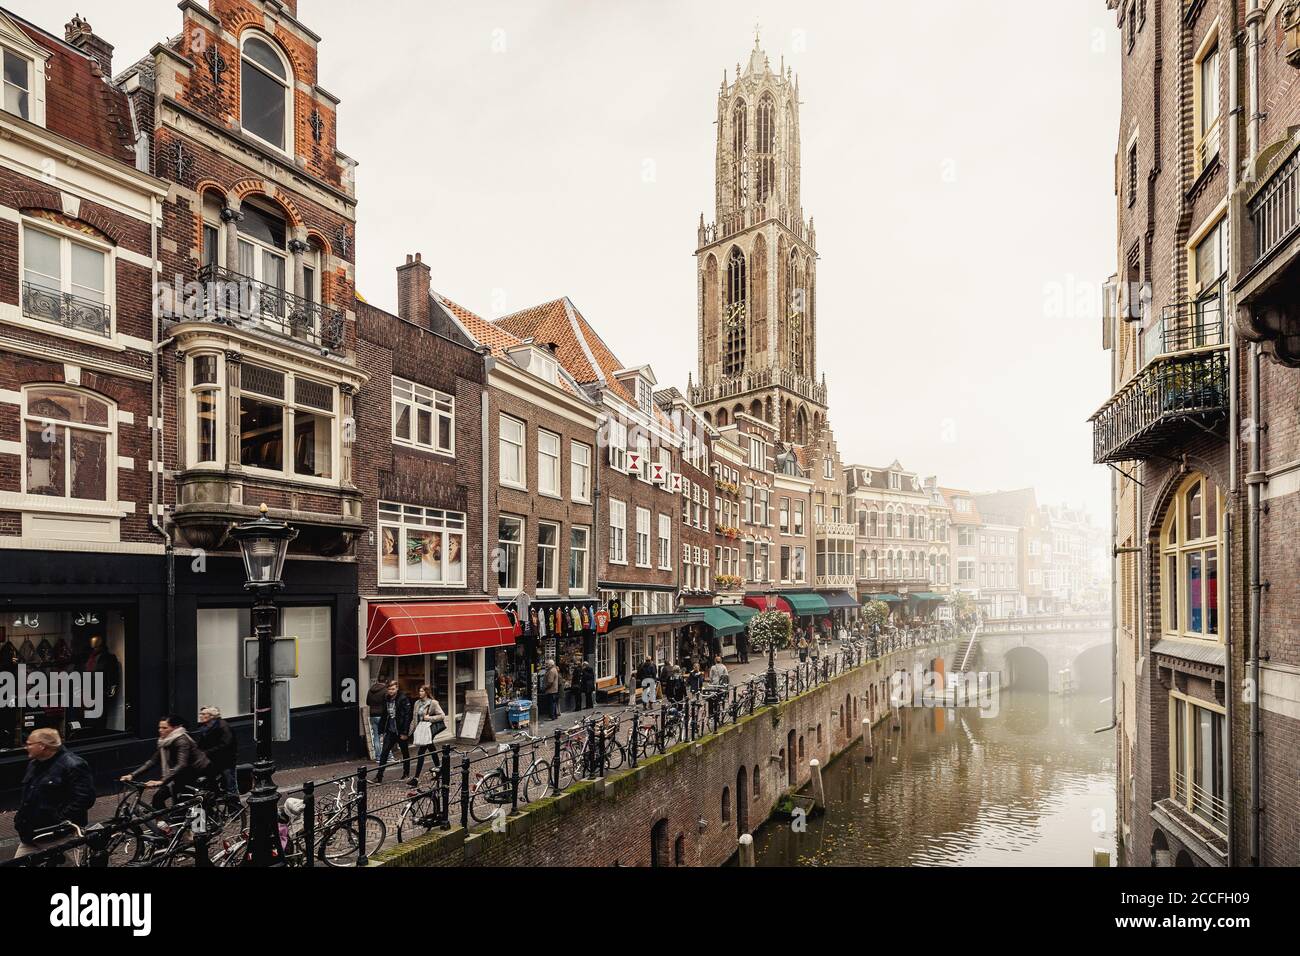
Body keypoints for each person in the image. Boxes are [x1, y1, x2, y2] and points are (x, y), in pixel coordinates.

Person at [13, 729, 95, 860]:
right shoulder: (34, 764)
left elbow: (85, 798)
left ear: (42, 746)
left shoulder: (73, 765)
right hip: (31, 835)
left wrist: (59, 820)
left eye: (29, 744)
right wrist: (20, 818)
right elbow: (29, 795)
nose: (26, 747)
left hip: (59, 837)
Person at [121, 715, 211, 810]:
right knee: (157, 799)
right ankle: (164, 824)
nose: (160, 730)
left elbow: (182, 764)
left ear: (175, 728)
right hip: (178, 775)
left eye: (164, 728)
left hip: (195, 773)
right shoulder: (165, 741)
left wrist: (162, 781)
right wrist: (132, 775)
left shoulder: (182, 741)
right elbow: (153, 761)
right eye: (159, 727)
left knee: (183, 806)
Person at [195, 706, 238, 805]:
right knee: (210, 782)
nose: (201, 716)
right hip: (213, 761)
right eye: (201, 714)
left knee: (229, 784)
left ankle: (235, 808)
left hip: (226, 761)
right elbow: (201, 745)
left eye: (204, 714)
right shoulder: (205, 727)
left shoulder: (223, 726)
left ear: (211, 716)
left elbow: (226, 744)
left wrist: (207, 752)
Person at [375, 681, 413, 784]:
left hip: (400, 731)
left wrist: (405, 732)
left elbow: (407, 716)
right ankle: (379, 776)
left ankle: (406, 773)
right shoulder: (386, 698)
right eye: (389, 689)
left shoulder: (403, 698)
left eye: (393, 689)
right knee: (384, 753)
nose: (391, 691)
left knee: (405, 752)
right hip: (390, 731)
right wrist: (381, 730)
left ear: (397, 688)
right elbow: (384, 715)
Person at [408, 685, 446, 784]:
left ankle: (416, 778)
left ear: (426, 692)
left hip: (428, 729)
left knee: (421, 752)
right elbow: (414, 718)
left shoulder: (433, 703)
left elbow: (442, 715)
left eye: (421, 691)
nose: (420, 693)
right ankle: (440, 769)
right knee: (432, 749)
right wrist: (410, 732)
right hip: (421, 729)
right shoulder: (417, 703)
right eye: (419, 691)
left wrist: (429, 718)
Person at [365, 678, 388, 760]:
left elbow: (367, 702)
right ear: (385, 682)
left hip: (373, 715)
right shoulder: (385, 690)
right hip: (382, 715)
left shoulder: (370, 690)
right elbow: (387, 702)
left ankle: (378, 756)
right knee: (385, 735)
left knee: (376, 736)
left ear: (377, 681)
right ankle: (386, 755)